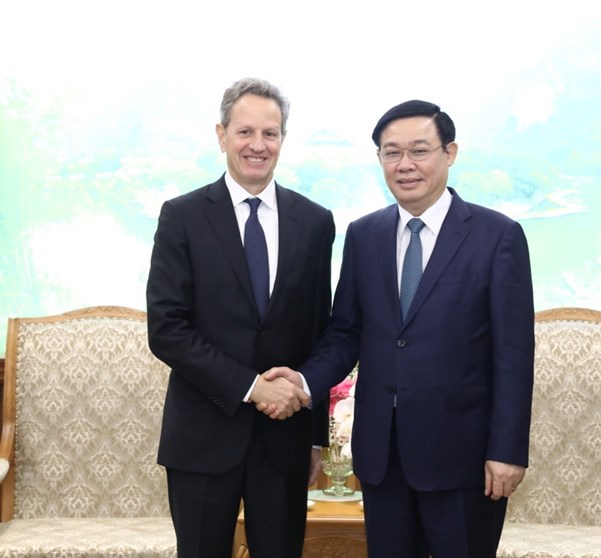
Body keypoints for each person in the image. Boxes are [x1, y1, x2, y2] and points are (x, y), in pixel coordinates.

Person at [262, 99, 535, 557]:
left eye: (419, 150)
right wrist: (304, 381)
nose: (405, 165)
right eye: (392, 153)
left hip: (463, 460)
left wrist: (507, 450)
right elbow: (345, 333)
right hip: (383, 459)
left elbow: (513, 354)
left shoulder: (497, 236)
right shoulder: (364, 235)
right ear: (380, 160)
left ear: (450, 153)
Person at [146, 77, 335, 558]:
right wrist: (253, 387)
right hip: (204, 438)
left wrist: (315, 441)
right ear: (221, 134)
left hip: (285, 441)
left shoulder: (315, 222)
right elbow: (167, 330)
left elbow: (318, 331)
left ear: (282, 140)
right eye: (245, 132)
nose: (258, 145)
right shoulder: (182, 216)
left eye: (270, 134)